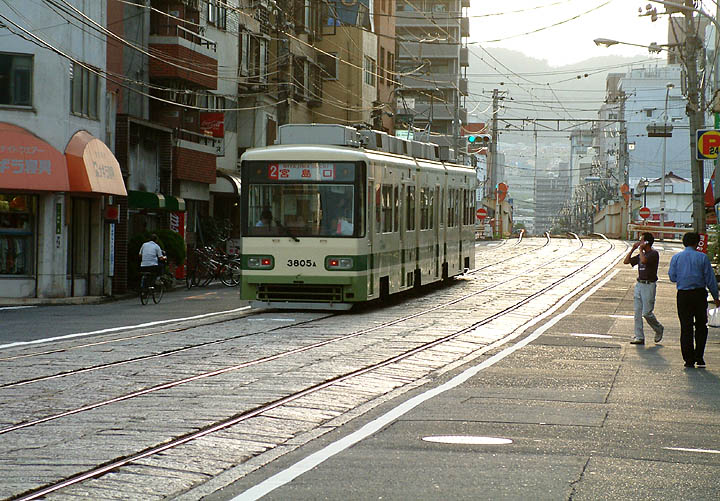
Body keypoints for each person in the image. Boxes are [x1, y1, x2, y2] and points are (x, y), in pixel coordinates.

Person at [668, 232, 720, 368]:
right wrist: (716, 297)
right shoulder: (702, 258)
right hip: (699, 295)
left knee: (686, 327)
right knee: (701, 325)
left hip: (683, 295)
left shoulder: (676, 257)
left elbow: (672, 277)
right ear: (697, 243)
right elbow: (710, 279)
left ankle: (688, 359)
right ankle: (699, 357)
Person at [624, 232, 664, 345]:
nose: (639, 242)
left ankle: (658, 328)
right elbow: (626, 261)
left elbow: (644, 261)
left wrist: (641, 250)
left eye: (641, 240)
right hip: (639, 284)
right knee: (637, 312)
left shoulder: (653, 254)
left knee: (647, 313)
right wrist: (633, 249)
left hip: (649, 285)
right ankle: (639, 336)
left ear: (646, 242)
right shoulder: (642, 254)